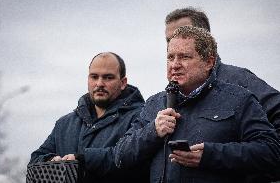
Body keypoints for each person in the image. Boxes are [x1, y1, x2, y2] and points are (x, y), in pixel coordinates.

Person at [114, 26, 280, 183]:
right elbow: (120, 155)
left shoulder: (239, 100)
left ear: (209, 62)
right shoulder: (154, 104)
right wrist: (153, 131)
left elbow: (272, 152)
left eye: (185, 57)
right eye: (170, 57)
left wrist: (211, 155)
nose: (175, 65)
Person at [164, 7, 280, 182]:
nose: (174, 41)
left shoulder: (239, 80)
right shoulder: (169, 94)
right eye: (169, 39)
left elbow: (271, 144)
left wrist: (258, 174)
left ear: (204, 37)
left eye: (184, 33)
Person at [29, 52, 149, 183]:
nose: (99, 83)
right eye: (94, 77)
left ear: (123, 83)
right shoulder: (64, 124)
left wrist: (82, 160)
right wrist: (50, 161)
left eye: (108, 77)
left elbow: (129, 160)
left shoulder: (141, 117)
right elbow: (35, 160)